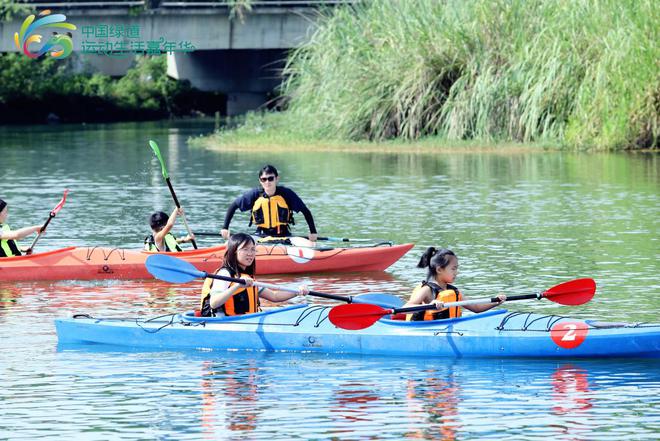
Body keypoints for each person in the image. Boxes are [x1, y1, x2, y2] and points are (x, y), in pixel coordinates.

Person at [200, 233, 309, 317]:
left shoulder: (247, 277)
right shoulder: (225, 273)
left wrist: (297, 291)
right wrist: (237, 286)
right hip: (226, 323)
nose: (250, 253)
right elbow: (213, 303)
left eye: (253, 249)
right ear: (234, 252)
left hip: (246, 321)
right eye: (245, 249)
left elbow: (274, 296)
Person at [220, 165, 318, 244]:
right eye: (264, 179)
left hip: (284, 236)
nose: (267, 182)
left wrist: (313, 232)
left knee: (311, 244)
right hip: (260, 235)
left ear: (277, 179)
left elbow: (305, 211)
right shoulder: (255, 194)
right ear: (260, 181)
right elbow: (233, 206)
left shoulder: (287, 194)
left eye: (270, 178)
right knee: (231, 244)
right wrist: (225, 228)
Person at [403, 247, 506, 321]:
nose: (456, 272)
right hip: (426, 331)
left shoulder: (454, 291)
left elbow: (476, 308)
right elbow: (404, 309)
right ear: (439, 269)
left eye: (457, 268)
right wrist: (429, 306)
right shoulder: (427, 290)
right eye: (453, 269)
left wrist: (496, 301)